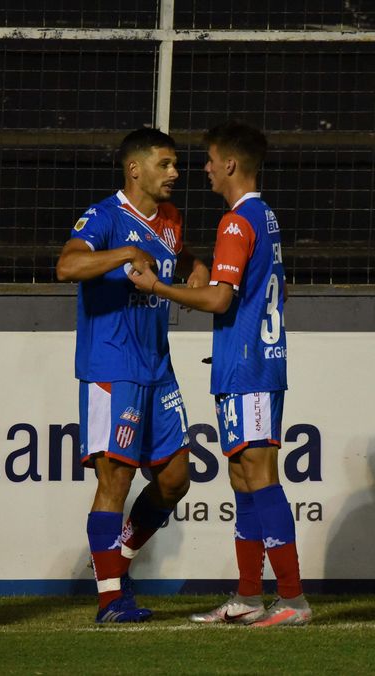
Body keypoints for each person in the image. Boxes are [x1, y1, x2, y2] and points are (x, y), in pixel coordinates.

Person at [131, 121, 312, 626]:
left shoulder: (235, 223)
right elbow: (270, 290)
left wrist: (158, 287)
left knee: (259, 474)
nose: (203, 168)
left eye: (210, 159)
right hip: (246, 364)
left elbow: (218, 297)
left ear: (230, 164)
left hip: (250, 368)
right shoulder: (265, 216)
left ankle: (293, 599)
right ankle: (250, 596)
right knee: (241, 475)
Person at [56, 128, 208, 623]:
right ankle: (109, 601)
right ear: (134, 169)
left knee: (175, 478)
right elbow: (66, 266)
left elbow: (173, 252)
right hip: (112, 367)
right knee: (115, 480)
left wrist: (195, 264)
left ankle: (114, 563)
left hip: (157, 367)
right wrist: (122, 254)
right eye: (165, 164)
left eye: (177, 164)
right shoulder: (103, 217)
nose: (175, 173)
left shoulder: (169, 218)